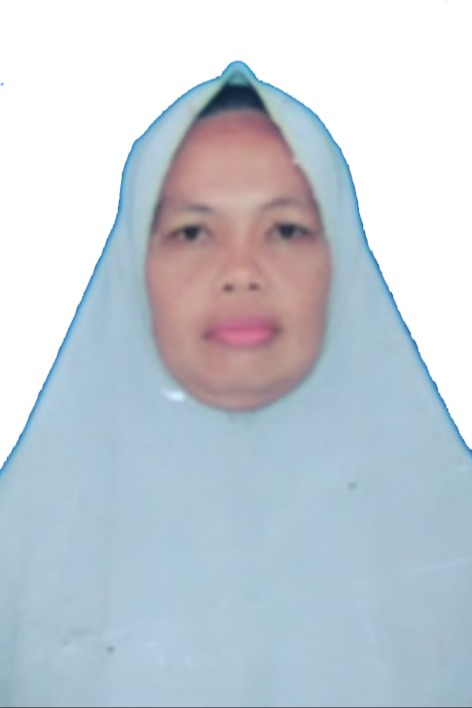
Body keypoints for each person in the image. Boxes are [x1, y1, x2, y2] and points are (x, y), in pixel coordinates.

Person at [0, 62, 471, 707]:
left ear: (341, 261)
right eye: (194, 233)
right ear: (136, 268)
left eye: (286, 231)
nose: (242, 272)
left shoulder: (452, 540)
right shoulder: (19, 549)